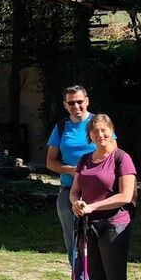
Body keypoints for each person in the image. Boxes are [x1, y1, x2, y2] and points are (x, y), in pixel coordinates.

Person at [69, 114, 137, 280]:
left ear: (112, 130)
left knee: (115, 279)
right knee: (96, 278)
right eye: (95, 131)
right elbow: (75, 190)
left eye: (104, 130)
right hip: (90, 225)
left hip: (114, 224)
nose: (100, 135)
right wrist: (76, 203)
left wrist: (93, 206)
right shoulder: (85, 159)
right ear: (90, 135)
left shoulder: (122, 158)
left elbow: (125, 196)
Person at [45, 85, 96, 264]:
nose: (76, 106)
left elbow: (114, 156)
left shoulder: (99, 124)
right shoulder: (61, 127)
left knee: (95, 242)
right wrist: (71, 170)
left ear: (87, 101)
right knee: (73, 243)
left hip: (96, 193)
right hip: (68, 191)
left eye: (80, 101)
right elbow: (50, 161)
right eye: (71, 103)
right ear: (65, 105)